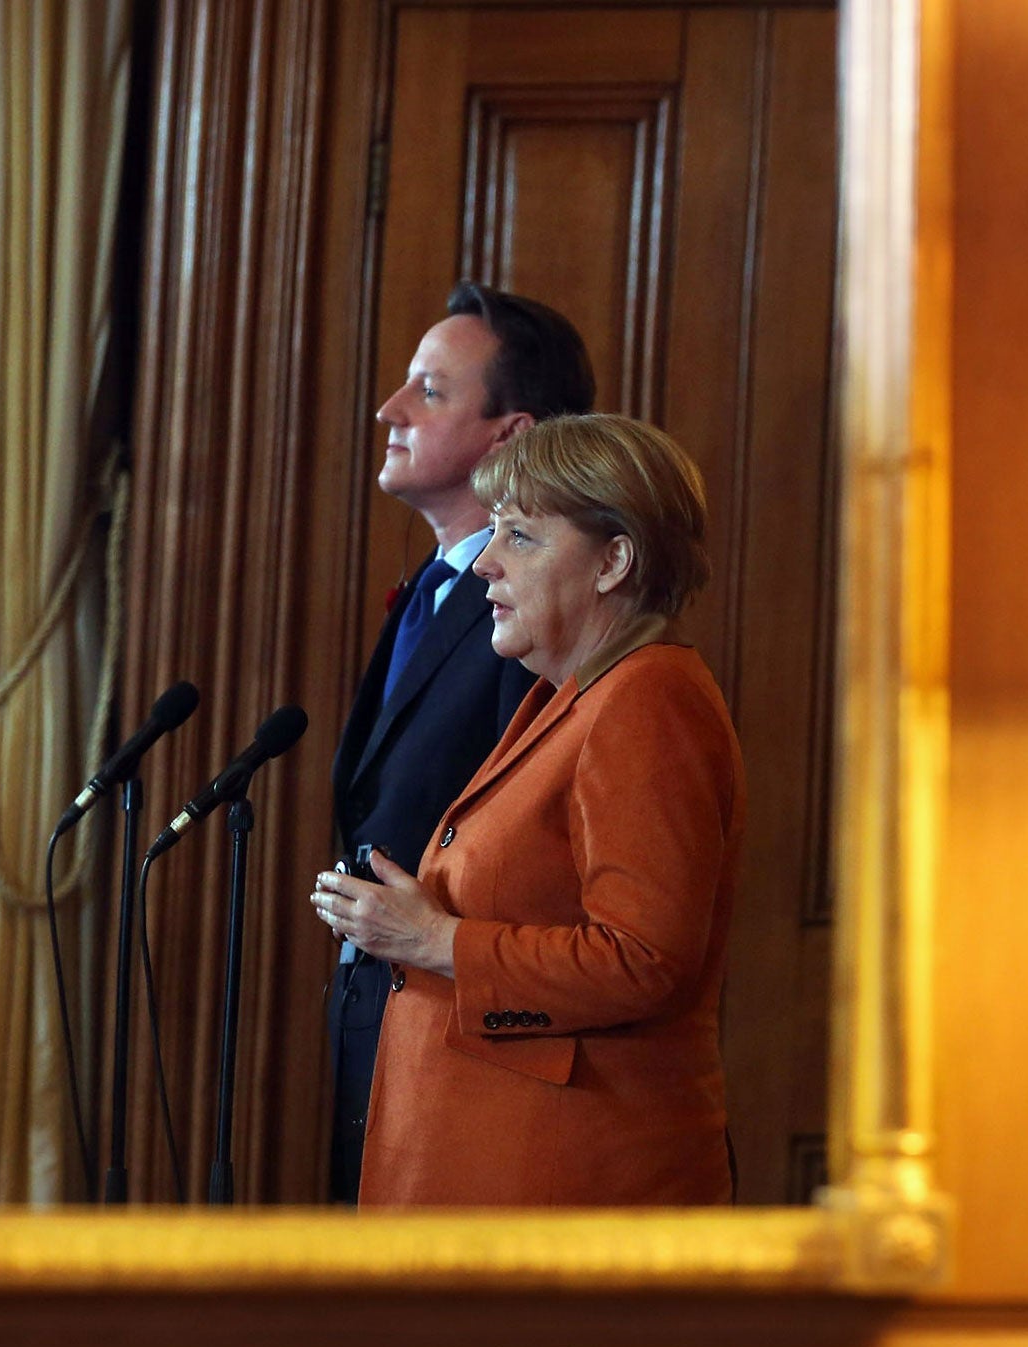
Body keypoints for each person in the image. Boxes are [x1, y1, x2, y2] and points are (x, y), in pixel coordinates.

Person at [309, 414, 743, 1206]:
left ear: (614, 560)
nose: (487, 568)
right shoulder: (572, 698)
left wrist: (433, 939)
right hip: (501, 1173)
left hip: (568, 1189)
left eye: (521, 538)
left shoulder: (647, 701)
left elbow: (643, 961)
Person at [324, 283, 595, 1202]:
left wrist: (442, 944)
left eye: (430, 392)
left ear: (509, 436)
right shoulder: (438, 588)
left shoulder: (530, 603)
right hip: (384, 999)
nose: (389, 410)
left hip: (468, 1023)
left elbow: (532, 817)